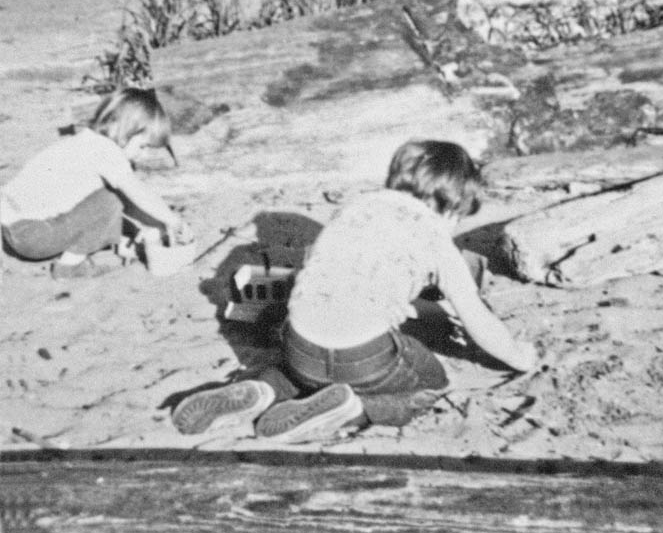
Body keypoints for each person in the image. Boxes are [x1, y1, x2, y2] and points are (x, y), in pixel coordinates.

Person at [172, 139, 538, 443]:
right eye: (458, 218)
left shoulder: (356, 210)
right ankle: (356, 409)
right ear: (451, 204)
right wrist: (520, 355)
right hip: (364, 356)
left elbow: (322, 274)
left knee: (303, 365)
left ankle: (263, 390)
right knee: (429, 383)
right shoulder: (435, 238)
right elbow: (476, 318)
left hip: (300, 346)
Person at [1, 87, 188, 276]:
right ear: (120, 128)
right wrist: (171, 219)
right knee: (111, 201)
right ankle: (70, 266)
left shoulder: (85, 141)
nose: (144, 155)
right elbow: (134, 193)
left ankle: (117, 242)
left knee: (105, 201)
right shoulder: (107, 151)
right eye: (143, 146)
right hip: (33, 235)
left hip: (12, 228)